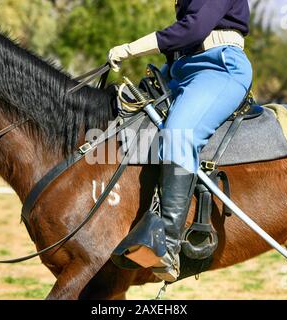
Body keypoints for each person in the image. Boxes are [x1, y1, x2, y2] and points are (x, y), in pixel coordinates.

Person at [108, 0, 253, 282]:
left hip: (218, 66)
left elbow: (194, 27)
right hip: (178, 70)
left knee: (178, 133)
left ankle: (168, 245)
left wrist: (129, 49)